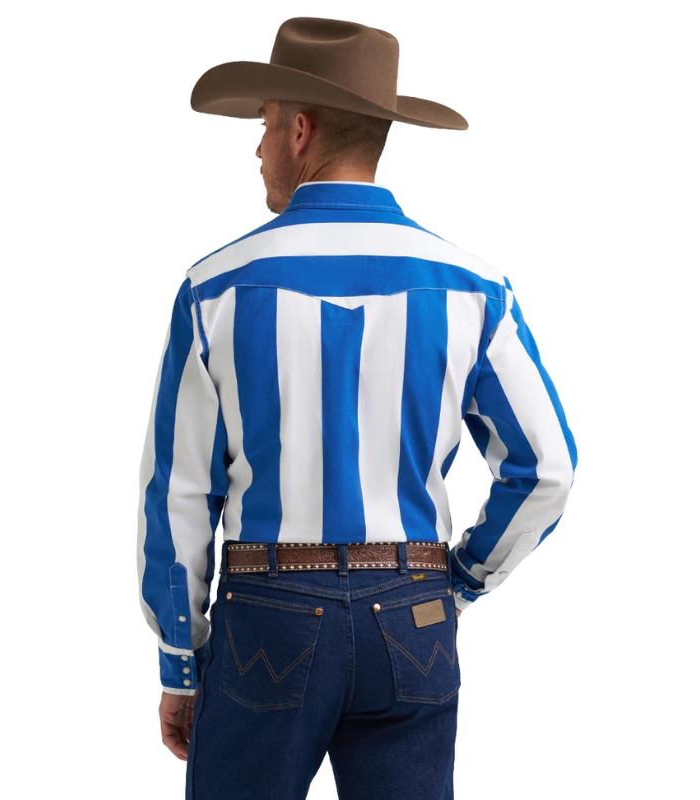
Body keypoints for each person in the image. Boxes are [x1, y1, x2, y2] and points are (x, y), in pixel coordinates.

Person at [136, 16, 578, 800]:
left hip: (267, 615)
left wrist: (180, 661)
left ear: (300, 130)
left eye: (265, 125)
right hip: (413, 616)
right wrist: (458, 583)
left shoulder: (215, 288)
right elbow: (547, 470)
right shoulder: (473, 288)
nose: (258, 148)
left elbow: (178, 493)